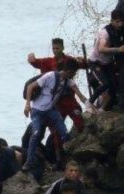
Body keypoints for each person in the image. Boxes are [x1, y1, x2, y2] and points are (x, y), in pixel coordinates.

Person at [27, 38, 88, 168]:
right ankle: (59, 160)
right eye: (54, 48)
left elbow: (84, 65)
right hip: (55, 103)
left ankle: (81, 152)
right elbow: (34, 62)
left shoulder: (70, 61)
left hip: (70, 100)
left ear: (63, 48)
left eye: (58, 48)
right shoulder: (47, 62)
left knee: (79, 122)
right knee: (56, 133)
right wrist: (31, 57)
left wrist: (83, 61)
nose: (56, 51)